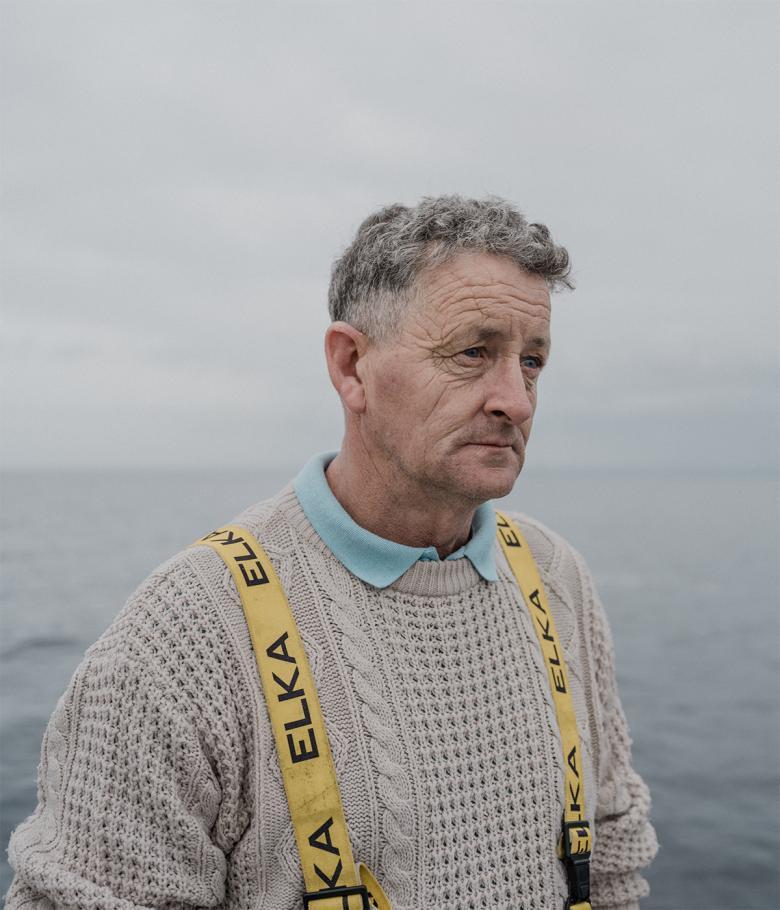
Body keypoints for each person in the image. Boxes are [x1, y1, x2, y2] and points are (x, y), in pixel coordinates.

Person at [5, 195, 658, 909]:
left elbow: (611, 857)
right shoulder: (186, 633)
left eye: (531, 362)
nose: (517, 400)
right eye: (473, 353)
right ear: (352, 367)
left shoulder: (555, 577)